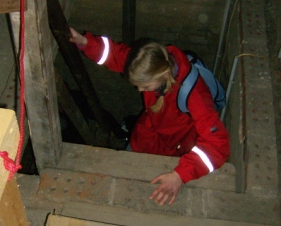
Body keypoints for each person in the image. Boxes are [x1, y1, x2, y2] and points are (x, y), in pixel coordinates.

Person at [69, 27, 230, 206]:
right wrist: (85, 42)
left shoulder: (195, 96)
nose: (140, 90)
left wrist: (180, 175)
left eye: (145, 86)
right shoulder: (148, 62)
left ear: (163, 76)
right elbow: (117, 54)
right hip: (146, 134)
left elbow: (218, 145)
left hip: (173, 148)